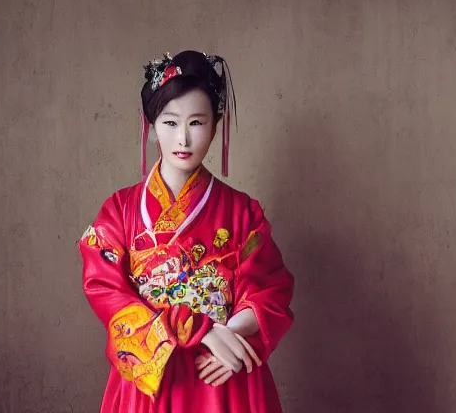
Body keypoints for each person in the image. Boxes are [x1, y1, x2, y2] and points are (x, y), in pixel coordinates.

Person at [78, 50, 294, 412]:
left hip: (222, 372)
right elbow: (106, 290)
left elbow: (270, 290)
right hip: (153, 376)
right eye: (170, 122)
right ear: (151, 125)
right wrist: (202, 330)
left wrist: (229, 337)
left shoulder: (243, 212)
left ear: (214, 125)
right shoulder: (119, 211)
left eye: (196, 122)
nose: (183, 139)